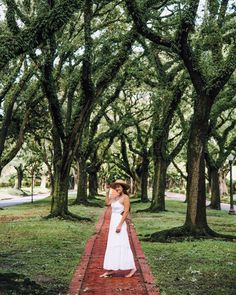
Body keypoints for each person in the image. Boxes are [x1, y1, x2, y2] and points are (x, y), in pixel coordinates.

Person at [99, 179, 137, 278]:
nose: (117, 188)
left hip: (119, 222)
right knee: (112, 244)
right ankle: (111, 268)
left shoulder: (125, 197)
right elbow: (107, 203)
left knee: (122, 244)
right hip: (113, 221)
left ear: (123, 188)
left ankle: (133, 268)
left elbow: (126, 212)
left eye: (119, 186)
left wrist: (120, 225)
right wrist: (107, 192)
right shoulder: (115, 197)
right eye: (116, 186)